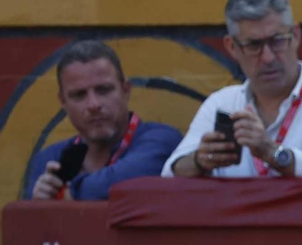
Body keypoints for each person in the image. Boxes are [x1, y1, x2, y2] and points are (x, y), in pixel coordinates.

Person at [162, 0, 302, 180]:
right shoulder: (221, 104)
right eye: (253, 45)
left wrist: (270, 152)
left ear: (295, 35)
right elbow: (169, 175)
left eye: (277, 41)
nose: (268, 57)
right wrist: (199, 161)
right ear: (232, 47)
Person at [23, 41, 182, 201]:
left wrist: (67, 193)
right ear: (63, 102)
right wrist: (38, 207)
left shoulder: (162, 140)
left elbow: (120, 182)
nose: (94, 105)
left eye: (103, 90)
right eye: (79, 95)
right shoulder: (50, 158)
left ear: (126, 91)